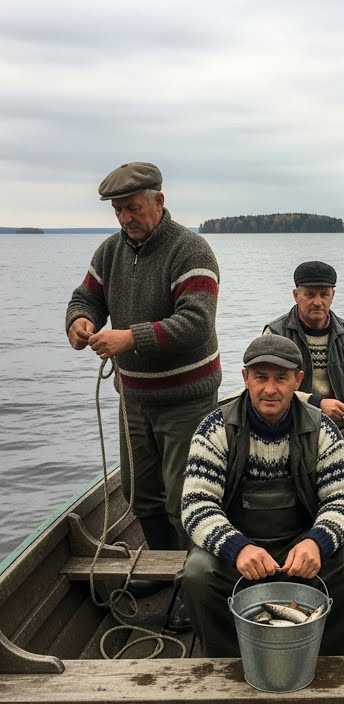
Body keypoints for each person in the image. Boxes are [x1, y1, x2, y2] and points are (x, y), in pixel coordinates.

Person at [65, 161, 220, 630]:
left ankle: (198, 584)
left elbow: (196, 324)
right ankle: (163, 568)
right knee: (139, 493)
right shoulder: (110, 252)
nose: (125, 218)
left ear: (159, 200)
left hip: (187, 398)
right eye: (118, 210)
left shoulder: (191, 250)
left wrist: (128, 338)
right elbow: (85, 297)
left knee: (185, 497)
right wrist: (79, 322)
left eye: (133, 207)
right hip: (133, 397)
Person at [178, 333, 344, 657]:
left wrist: (317, 542)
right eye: (261, 378)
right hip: (236, 550)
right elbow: (197, 504)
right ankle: (228, 660)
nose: (270, 389)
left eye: (281, 378)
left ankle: (327, 656)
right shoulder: (213, 429)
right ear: (246, 378)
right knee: (197, 573)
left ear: (297, 380)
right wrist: (237, 548)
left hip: (302, 547)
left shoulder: (324, 430)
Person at [264, 260, 344, 529]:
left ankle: (339, 505)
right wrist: (317, 403)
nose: (317, 301)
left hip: (340, 429)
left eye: (324, 294)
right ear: (296, 295)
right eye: (310, 294)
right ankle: (309, 509)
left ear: (333, 294)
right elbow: (267, 389)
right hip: (291, 430)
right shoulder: (275, 334)